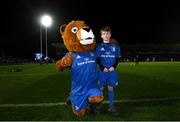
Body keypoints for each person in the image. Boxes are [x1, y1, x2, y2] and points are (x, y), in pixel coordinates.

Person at [96, 26, 121, 115]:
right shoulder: (99, 47)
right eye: (104, 34)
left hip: (112, 72)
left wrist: (113, 66)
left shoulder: (115, 46)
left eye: (107, 33)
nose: (105, 35)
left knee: (111, 87)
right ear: (101, 36)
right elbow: (98, 59)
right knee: (101, 88)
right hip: (102, 72)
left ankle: (111, 106)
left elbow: (117, 58)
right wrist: (102, 67)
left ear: (110, 34)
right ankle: (98, 106)